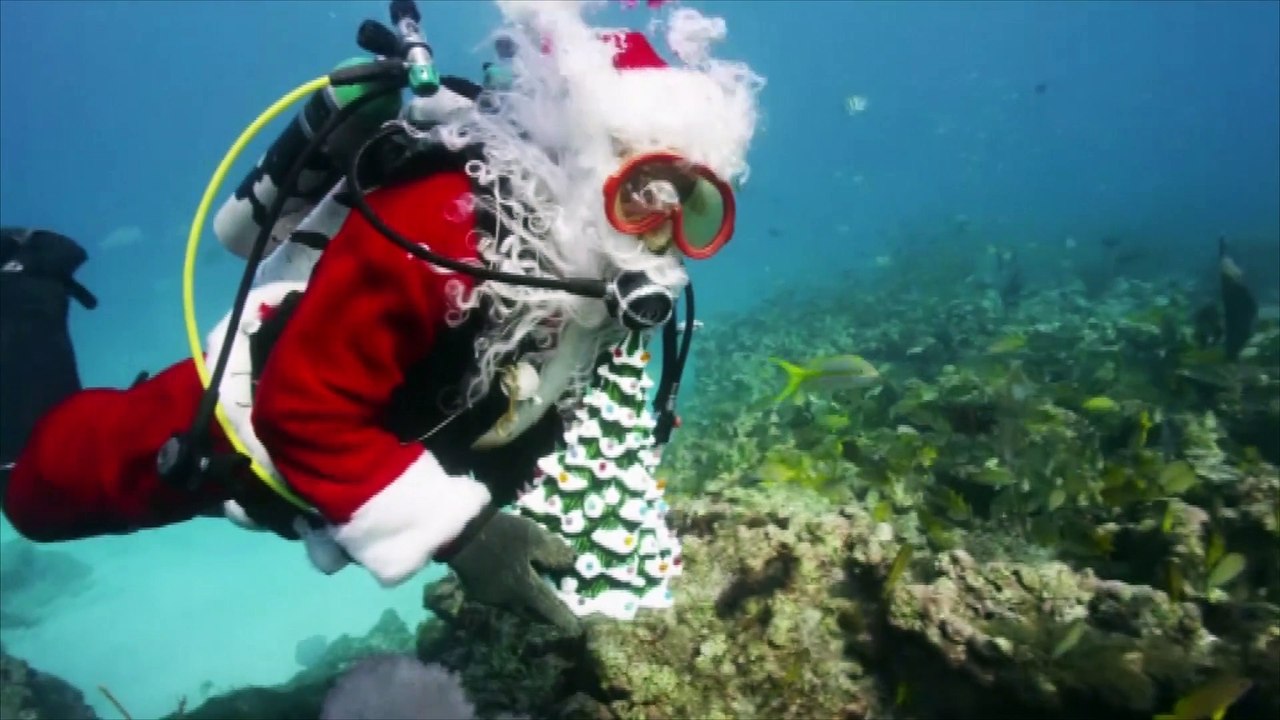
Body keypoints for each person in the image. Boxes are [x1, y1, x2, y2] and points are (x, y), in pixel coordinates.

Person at [1, 1, 762, 632]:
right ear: (589, 163)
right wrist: (463, 537)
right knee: (33, 493)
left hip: (335, 471)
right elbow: (300, 407)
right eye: (642, 195)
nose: (663, 239)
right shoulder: (444, 231)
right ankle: (28, 285)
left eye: (691, 208)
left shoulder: (591, 271)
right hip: (238, 426)